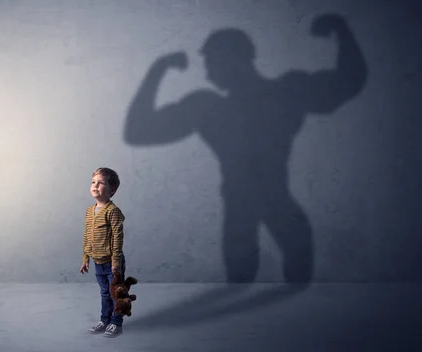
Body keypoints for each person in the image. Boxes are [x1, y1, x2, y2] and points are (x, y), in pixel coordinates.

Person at [124, 14, 367, 283]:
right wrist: (158, 68)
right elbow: (138, 132)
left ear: (233, 59)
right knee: (271, 288)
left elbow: (348, 81)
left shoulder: (227, 106)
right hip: (265, 207)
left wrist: (159, 69)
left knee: (279, 289)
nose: (206, 70)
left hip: (253, 207)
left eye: (211, 61)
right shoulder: (258, 99)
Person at [79, 167, 127, 338]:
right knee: (105, 293)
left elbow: (117, 238)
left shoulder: (112, 211)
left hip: (111, 263)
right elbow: (87, 235)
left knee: (117, 294)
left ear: (112, 189)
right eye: (93, 182)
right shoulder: (89, 211)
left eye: (101, 183)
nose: (95, 186)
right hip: (98, 262)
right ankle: (104, 320)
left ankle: (116, 323)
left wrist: (115, 262)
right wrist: (85, 258)